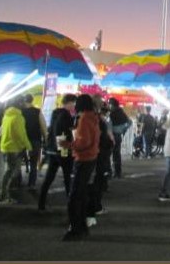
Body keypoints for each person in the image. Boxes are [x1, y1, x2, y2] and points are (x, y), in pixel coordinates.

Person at [61, 94, 100, 241]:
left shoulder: (84, 119)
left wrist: (69, 145)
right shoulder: (94, 118)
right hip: (91, 158)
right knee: (81, 194)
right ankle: (81, 226)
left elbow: (84, 142)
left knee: (74, 196)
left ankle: (76, 228)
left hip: (83, 159)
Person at [38, 93, 76, 211]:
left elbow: (52, 131)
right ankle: (71, 206)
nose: (74, 106)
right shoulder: (65, 116)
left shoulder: (55, 113)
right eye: (73, 103)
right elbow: (62, 134)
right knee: (67, 178)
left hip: (52, 150)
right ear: (69, 103)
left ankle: (41, 204)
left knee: (49, 177)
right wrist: (65, 151)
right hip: (61, 150)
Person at [0, 97, 32, 204]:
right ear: (19, 104)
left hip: (5, 146)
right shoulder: (18, 117)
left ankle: (3, 196)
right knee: (10, 172)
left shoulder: (6, 115)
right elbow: (21, 134)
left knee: (8, 172)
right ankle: (2, 197)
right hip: (14, 148)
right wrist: (28, 146)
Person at [86, 95, 114, 227]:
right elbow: (104, 140)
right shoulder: (97, 120)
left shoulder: (82, 118)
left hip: (87, 156)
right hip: (97, 156)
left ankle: (89, 212)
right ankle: (91, 213)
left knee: (87, 185)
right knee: (95, 185)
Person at [20, 94, 47, 189]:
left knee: (18, 161)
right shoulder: (37, 111)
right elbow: (43, 126)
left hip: (22, 140)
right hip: (35, 139)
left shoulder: (20, 111)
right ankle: (31, 183)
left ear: (24, 101)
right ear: (32, 100)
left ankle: (18, 181)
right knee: (33, 162)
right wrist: (46, 140)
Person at [108, 97, 131, 178]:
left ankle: (109, 172)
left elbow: (109, 126)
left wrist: (114, 130)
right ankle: (118, 172)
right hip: (118, 135)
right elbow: (129, 122)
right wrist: (123, 130)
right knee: (117, 154)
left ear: (112, 105)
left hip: (111, 135)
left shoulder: (111, 114)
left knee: (108, 155)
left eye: (109, 104)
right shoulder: (122, 112)